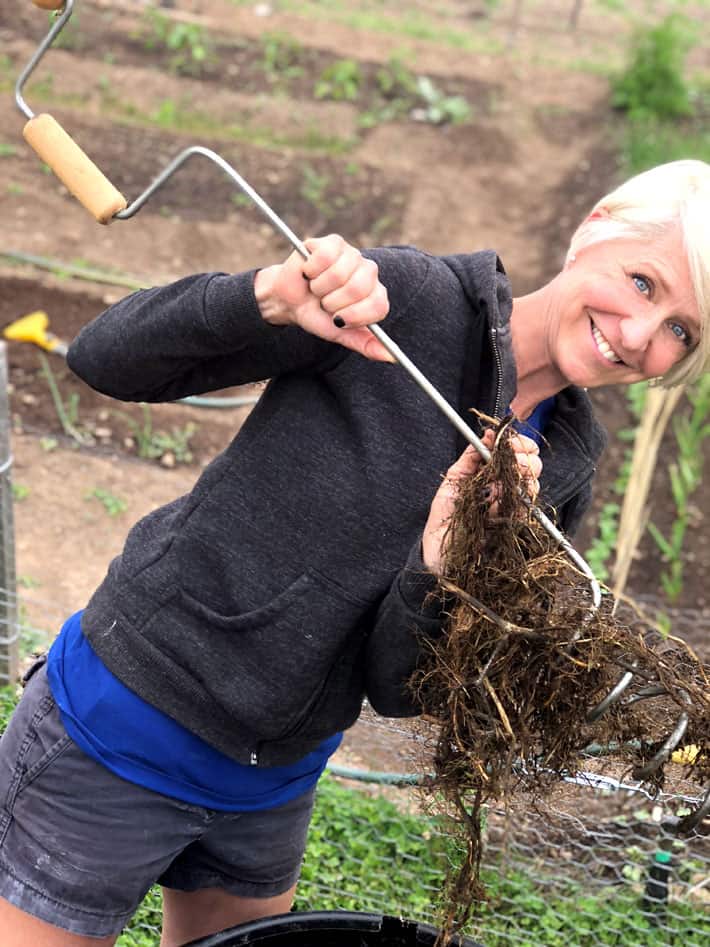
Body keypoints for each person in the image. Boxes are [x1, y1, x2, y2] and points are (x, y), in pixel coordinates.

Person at [1, 158, 708, 947]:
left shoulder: (564, 462)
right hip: (125, 726)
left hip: (275, 781)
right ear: (598, 228)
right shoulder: (411, 302)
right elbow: (104, 358)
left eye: (683, 330)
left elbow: (400, 685)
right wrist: (267, 298)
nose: (642, 336)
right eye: (645, 283)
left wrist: (441, 567)